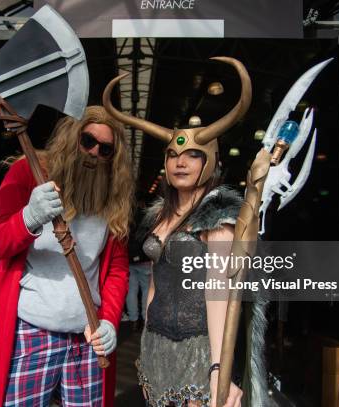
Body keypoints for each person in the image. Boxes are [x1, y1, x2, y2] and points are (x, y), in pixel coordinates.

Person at [103, 56, 252, 407]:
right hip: (155, 342)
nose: (179, 162)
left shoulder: (217, 218)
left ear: (210, 161)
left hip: (199, 346)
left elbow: (221, 296)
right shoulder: (162, 215)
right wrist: (144, 342)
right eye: (172, 155)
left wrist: (219, 365)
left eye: (192, 155)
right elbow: (156, 281)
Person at [0, 106, 133, 407]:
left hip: (87, 338)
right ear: (72, 137)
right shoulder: (28, 172)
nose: (94, 153)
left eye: (106, 149)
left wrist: (110, 321)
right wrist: (28, 217)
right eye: (87, 141)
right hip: (32, 334)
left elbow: (116, 268)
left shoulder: (114, 197)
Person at [127, 203, 152, 331]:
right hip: (144, 259)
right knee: (147, 290)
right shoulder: (147, 218)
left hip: (130, 259)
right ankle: (145, 319)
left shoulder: (127, 218)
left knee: (131, 290)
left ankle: (133, 320)